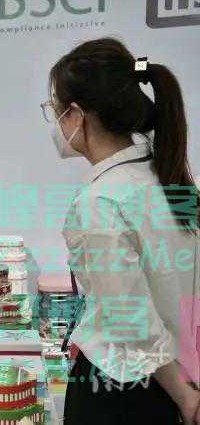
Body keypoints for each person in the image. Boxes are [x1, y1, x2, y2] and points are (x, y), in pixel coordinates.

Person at [42, 37, 200, 424]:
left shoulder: (101, 202)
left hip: (126, 389)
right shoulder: (173, 180)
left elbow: (130, 318)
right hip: (179, 376)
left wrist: (184, 397)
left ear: (76, 115)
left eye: (55, 110)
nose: (56, 122)